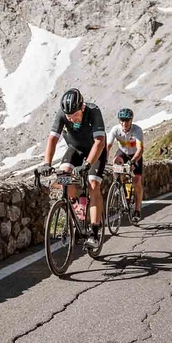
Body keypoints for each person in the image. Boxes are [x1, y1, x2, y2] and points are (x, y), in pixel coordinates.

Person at [38, 88, 107, 251]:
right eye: (68, 116)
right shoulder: (62, 114)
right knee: (63, 177)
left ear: (82, 107)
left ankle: (94, 233)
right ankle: (78, 210)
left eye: (74, 115)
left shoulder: (93, 112)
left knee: (93, 185)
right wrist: (47, 163)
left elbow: (99, 142)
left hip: (95, 152)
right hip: (75, 149)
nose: (71, 119)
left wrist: (88, 164)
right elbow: (52, 139)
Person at [106, 108, 145, 223]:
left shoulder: (137, 130)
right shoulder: (116, 129)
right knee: (116, 161)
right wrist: (104, 159)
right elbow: (108, 146)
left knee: (136, 180)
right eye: (122, 120)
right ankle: (118, 184)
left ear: (131, 120)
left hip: (135, 155)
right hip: (122, 152)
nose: (124, 123)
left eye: (127, 120)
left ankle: (137, 209)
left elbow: (140, 149)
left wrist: (133, 161)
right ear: (119, 120)